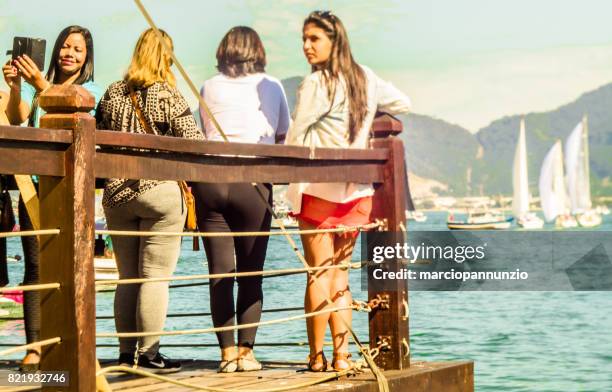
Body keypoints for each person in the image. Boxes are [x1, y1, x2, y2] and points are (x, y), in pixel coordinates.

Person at [284, 11, 411, 372]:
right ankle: (342, 356)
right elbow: (403, 103)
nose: (306, 46)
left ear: (333, 41)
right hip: (356, 192)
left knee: (319, 275)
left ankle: (316, 356)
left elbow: (296, 139)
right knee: (338, 274)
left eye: (314, 39)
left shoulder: (316, 84)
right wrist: (369, 113)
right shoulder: (365, 77)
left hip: (319, 191)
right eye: (304, 39)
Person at [96, 28, 204, 374]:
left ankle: (126, 354)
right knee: (155, 277)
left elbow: (96, 136)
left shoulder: (113, 92)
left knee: (127, 278)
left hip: (116, 195)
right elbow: (194, 140)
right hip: (159, 191)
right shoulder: (168, 94)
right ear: (166, 56)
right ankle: (150, 354)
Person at [1, 25, 102, 371]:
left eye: (77, 49)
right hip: (35, 187)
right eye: (65, 46)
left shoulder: (90, 89)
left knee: (73, 268)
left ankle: (72, 347)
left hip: (72, 190)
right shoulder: (37, 87)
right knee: (35, 269)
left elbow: (68, 105)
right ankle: (35, 347)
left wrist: (39, 86)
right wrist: (16, 88)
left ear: (87, 57)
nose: (69, 53)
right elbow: (17, 117)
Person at [193, 26, 290, 373]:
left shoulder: (208, 86)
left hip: (211, 184)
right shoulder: (273, 87)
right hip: (253, 185)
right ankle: (247, 353)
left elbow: (203, 130)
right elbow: (281, 137)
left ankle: (226, 354)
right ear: (258, 51)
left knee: (220, 273)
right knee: (251, 273)